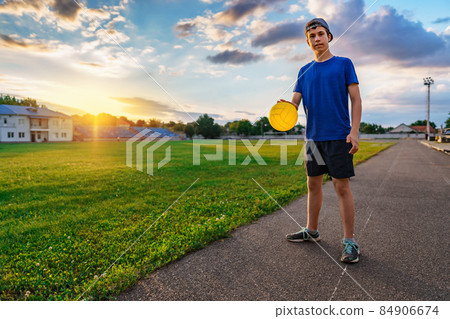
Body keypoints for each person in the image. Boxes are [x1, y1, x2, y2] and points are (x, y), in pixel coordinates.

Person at [280, 18, 362, 263]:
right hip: (313, 139)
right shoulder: (304, 71)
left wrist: (354, 131)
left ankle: (350, 242)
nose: (317, 39)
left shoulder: (344, 64)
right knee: (312, 186)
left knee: (341, 187)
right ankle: (311, 230)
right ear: (308, 41)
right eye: (312, 36)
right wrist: (286, 108)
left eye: (320, 34)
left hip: (339, 137)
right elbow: (295, 103)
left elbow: (356, 100)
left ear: (329, 36)